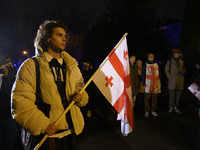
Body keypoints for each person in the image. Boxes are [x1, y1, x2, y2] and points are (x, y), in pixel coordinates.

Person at [11, 20, 88, 150]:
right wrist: (43, 124)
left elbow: (81, 89)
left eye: (65, 36)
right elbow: (21, 102)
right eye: (59, 35)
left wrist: (81, 97)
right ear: (47, 38)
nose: (64, 39)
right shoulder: (31, 66)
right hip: (47, 137)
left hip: (71, 133)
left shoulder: (71, 65)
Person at [0, 59, 18, 150]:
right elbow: (7, 95)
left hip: (4, 111)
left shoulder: (5, 79)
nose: (4, 68)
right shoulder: (3, 79)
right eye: (5, 66)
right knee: (12, 130)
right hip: (4, 112)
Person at [165, 49, 186, 114]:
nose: (178, 54)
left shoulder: (182, 62)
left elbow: (184, 70)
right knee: (172, 95)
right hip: (173, 81)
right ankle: (171, 107)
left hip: (180, 81)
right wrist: (171, 77)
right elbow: (166, 70)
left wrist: (183, 72)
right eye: (177, 53)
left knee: (178, 95)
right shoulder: (170, 62)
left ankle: (176, 107)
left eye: (179, 53)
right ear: (174, 54)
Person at [141, 53, 161, 117]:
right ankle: (147, 111)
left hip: (155, 84)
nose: (151, 58)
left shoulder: (156, 65)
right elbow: (143, 75)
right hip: (148, 84)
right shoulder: (145, 66)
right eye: (150, 57)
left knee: (155, 98)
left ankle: (153, 110)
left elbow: (159, 75)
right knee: (147, 98)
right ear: (148, 58)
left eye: (152, 56)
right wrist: (144, 84)